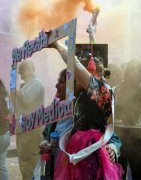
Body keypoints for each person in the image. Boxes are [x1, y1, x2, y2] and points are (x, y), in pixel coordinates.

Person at [47, 41, 123, 180]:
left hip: (91, 152)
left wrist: (58, 46)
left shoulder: (101, 90)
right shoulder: (81, 94)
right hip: (78, 149)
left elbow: (74, 64)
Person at [114, 59, 141, 180]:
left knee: (117, 174)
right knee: (140, 175)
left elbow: (108, 116)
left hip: (117, 138)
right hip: (137, 138)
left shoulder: (115, 91)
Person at [13, 60, 45, 180]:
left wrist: (16, 93)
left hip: (31, 129)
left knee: (29, 162)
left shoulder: (36, 83)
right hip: (23, 128)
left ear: (31, 70)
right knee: (24, 161)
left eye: (23, 70)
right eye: (20, 70)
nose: (20, 73)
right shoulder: (26, 85)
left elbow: (27, 100)